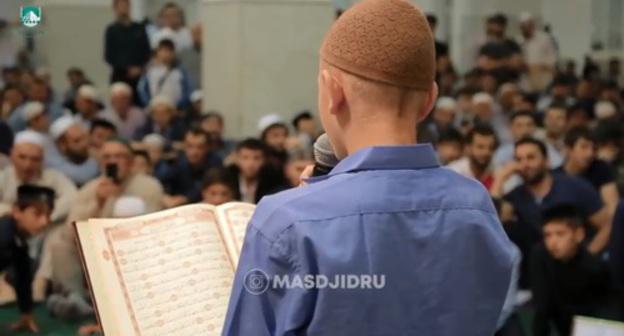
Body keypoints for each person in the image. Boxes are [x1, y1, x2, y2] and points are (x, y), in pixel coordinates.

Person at [223, 1, 514, 334]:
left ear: (333, 92)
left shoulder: (287, 223)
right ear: (429, 101)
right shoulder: (477, 207)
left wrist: (304, 212)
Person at [492, 138, 612, 287]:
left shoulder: (575, 186)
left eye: (531, 157)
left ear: (547, 161)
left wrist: (588, 254)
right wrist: (500, 179)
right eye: (519, 159)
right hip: (539, 275)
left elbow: (607, 225)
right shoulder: (515, 196)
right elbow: (491, 220)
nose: (525, 164)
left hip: (579, 272)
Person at [531, 205, 621, 336]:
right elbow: (542, 307)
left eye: (560, 234)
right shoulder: (540, 255)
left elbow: (608, 307)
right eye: (547, 235)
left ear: (579, 235)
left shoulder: (595, 267)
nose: (552, 242)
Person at [0, 185, 55, 333]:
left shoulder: (18, 235)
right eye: (37, 214)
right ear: (17, 211)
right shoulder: (4, 235)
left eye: (48, 215)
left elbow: (22, 276)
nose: (44, 222)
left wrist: (26, 313)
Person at [0, 131, 77, 223]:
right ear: (12, 156)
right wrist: (18, 213)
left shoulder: (53, 177)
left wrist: (43, 215)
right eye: (22, 157)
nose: (27, 165)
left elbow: (73, 197)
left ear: (42, 160)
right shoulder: (4, 177)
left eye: (35, 159)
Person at [555, 126, 620, 216]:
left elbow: (613, 207)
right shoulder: (555, 176)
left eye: (594, 149)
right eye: (584, 147)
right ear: (569, 149)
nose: (590, 153)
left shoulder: (601, 168)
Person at [156, 128, 222, 208]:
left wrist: (184, 199)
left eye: (199, 147)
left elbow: (210, 187)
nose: (194, 152)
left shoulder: (215, 163)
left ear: (207, 148)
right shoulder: (179, 162)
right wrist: (165, 196)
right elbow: (164, 181)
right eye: (190, 146)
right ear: (184, 146)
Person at [104, 0, 151, 94]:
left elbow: (147, 51)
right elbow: (109, 56)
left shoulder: (139, 28)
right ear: (115, 8)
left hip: (139, 76)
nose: (123, 8)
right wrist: (126, 68)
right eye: (120, 5)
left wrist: (139, 68)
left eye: (125, 5)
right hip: (119, 76)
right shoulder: (111, 30)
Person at [137, 39, 192, 109]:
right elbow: (142, 89)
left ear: (173, 53)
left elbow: (188, 88)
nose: (166, 54)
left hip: (175, 108)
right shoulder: (149, 69)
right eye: (163, 51)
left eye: (169, 51)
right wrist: (149, 104)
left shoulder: (181, 70)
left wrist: (180, 106)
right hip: (155, 107)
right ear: (157, 52)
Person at [226, 138, 285, 204]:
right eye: (245, 158)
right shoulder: (227, 178)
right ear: (236, 159)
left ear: (264, 160)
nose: (251, 163)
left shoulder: (273, 180)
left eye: (257, 158)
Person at [47, 116, 100, 186]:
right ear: (62, 145)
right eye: (77, 141)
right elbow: (82, 177)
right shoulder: (52, 164)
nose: (84, 144)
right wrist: (98, 160)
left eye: (84, 137)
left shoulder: (89, 152)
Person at [447, 123, 498, 190]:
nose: (486, 152)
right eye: (480, 147)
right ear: (468, 148)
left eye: (490, 148)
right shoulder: (453, 172)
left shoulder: (497, 171)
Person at [519, 12, 557, 92]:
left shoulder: (545, 39)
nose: (526, 28)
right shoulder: (519, 41)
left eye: (529, 25)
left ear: (533, 25)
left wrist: (534, 67)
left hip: (543, 82)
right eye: (524, 26)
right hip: (525, 84)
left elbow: (551, 63)